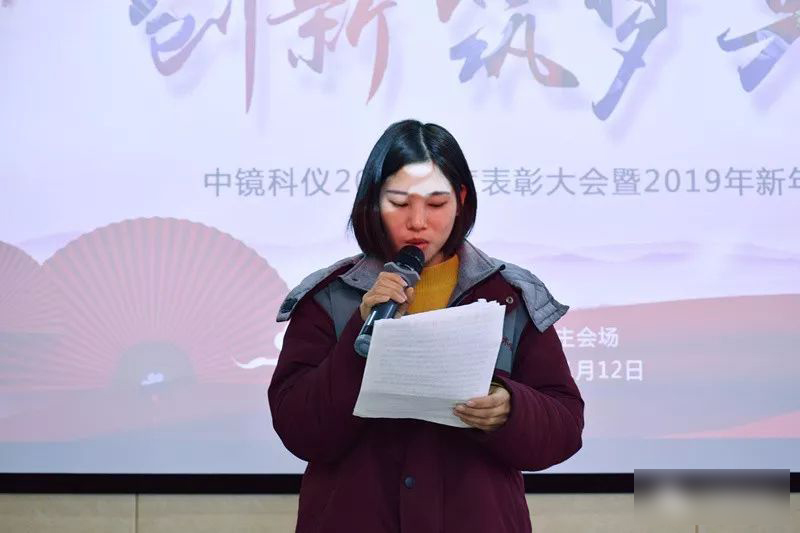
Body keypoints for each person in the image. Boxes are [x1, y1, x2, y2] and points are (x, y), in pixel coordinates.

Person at [268, 119, 584, 533]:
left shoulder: (510, 295)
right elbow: (299, 431)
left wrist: (512, 409)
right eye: (399, 203)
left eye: (436, 204)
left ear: (461, 200)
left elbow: (565, 426)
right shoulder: (330, 297)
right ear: (373, 204)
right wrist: (361, 331)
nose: (418, 222)